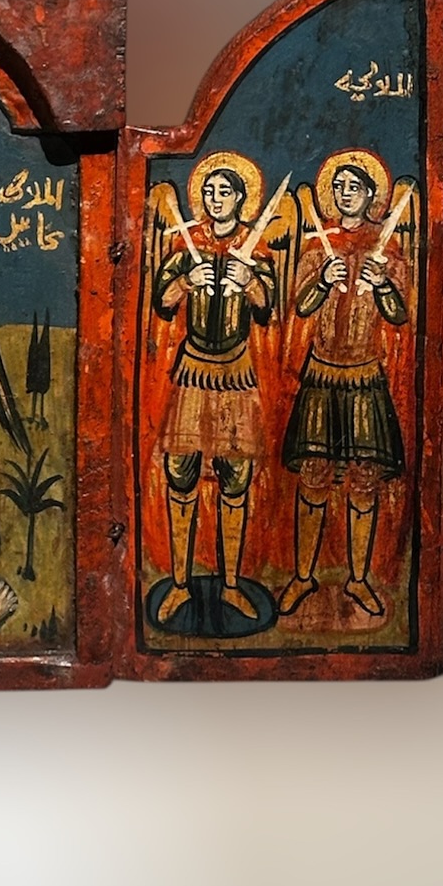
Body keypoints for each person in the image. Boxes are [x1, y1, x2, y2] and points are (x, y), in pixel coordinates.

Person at [279, 152, 408, 617]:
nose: (345, 193)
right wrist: (321, 282)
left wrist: (384, 285)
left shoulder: (387, 248)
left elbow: (399, 314)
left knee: (364, 476)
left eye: (355, 186)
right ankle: (303, 576)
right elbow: (301, 306)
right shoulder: (319, 245)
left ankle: (358, 579)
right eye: (339, 186)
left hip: (364, 373)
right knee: (314, 473)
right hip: (322, 372)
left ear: (372, 195)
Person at [150, 153, 275, 624]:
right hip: (193, 372)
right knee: (180, 473)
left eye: (225, 192)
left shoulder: (255, 248)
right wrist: (186, 281)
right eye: (209, 191)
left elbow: (267, 307)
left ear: (241, 199)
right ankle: (180, 585)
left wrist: (250, 283)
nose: (215, 199)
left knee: (235, 479)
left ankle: (231, 585)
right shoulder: (187, 245)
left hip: (235, 374)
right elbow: (162, 302)